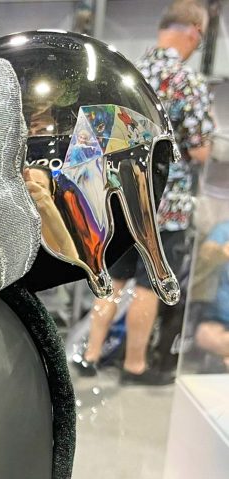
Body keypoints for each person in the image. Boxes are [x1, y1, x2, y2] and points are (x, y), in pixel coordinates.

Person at [74, 0, 214, 385]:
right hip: (165, 203)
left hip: (120, 196)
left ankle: (90, 354)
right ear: (194, 33)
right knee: (149, 285)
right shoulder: (186, 81)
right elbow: (201, 150)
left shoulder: (127, 72)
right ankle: (134, 365)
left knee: (114, 280)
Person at [194, 220, 229, 370]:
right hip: (219, 320)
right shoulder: (224, 229)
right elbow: (207, 252)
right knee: (205, 335)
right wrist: (219, 251)